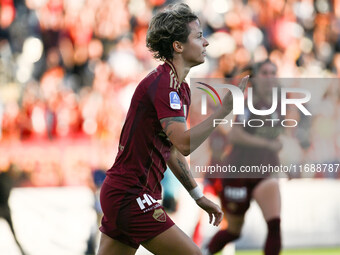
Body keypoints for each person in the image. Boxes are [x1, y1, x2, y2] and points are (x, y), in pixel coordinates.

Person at [97, 3, 248, 255]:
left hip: (126, 193)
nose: (206, 43)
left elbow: (173, 152)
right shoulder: (164, 84)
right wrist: (222, 112)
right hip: (131, 194)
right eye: (199, 36)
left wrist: (198, 196)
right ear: (178, 46)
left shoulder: (180, 88)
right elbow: (185, 144)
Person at [205, 59, 282, 255]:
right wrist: (268, 143)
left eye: (273, 72)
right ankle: (203, 252)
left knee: (274, 225)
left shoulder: (279, 103)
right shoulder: (246, 101)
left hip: (263, 172)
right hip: (237, 173)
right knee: (233, 231)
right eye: (265, 73)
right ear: (255, 78)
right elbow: (234, 134)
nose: (270, 77)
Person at [0, 164, 26, 255]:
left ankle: (22, 251)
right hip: (2, 209)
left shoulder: (9, 179)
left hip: (5, 209)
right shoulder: (3, 178)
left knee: (14, 233)